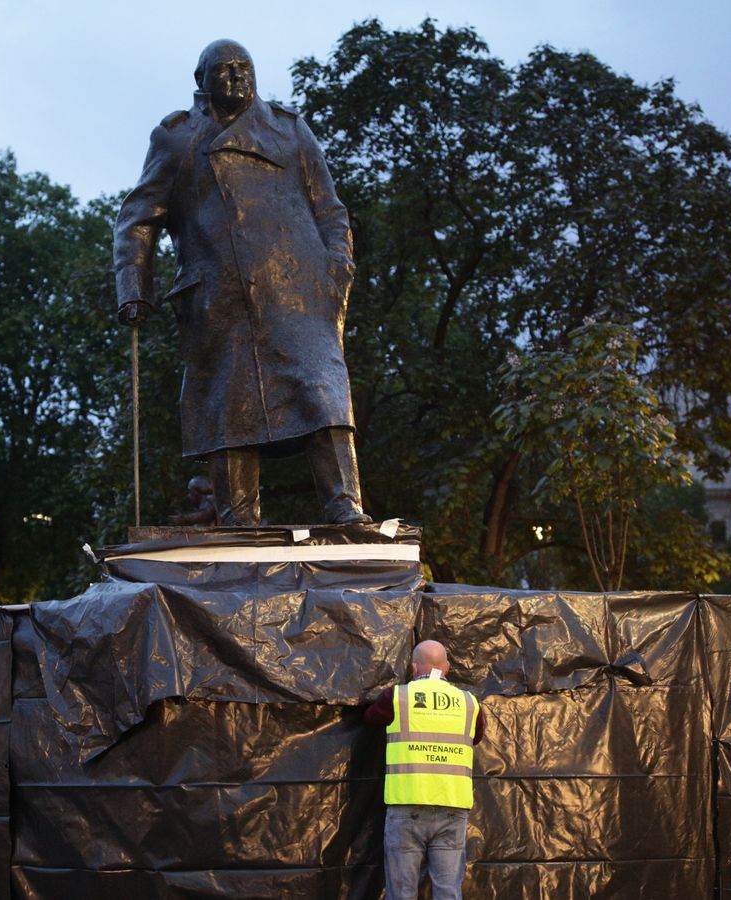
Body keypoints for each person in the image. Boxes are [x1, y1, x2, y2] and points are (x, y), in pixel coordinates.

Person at [114, 39, 370, 527]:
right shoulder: (177, 139)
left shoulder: (289, 130)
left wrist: (337, 268)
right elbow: (138, 219)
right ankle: (238, 521)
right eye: (224, 70)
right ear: (201, 79)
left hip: (299, 292)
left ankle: (345, 507)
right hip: (219, 297)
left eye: (243, 68)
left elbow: (330, 209)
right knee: (229, 410)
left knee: (323, 393)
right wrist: (134, 288)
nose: (237, 77)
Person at [363, 640, 485, 900]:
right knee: (448, 892)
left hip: (407, 806)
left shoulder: (397, 697)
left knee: (402, 893)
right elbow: (476, 737)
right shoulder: (469, 703)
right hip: (452, 807)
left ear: (414, 667)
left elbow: (371, 718)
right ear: (447, 667)